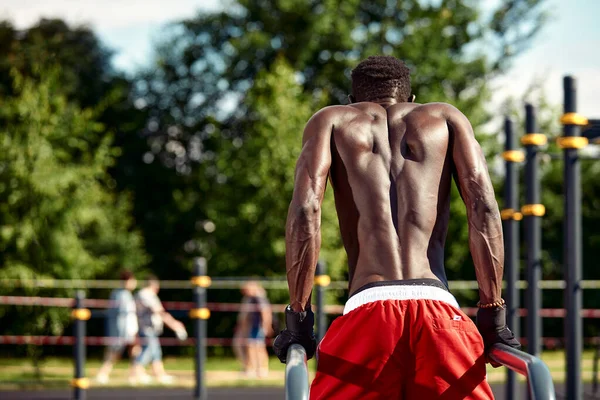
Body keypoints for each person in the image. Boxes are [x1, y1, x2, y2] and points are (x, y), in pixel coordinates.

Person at [273, 56, 521, 399]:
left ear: (352, 100)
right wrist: (493, 313)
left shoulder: (331, 120)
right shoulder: (447, 118)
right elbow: (484, 208)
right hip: (439, 312)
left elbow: (305, 210)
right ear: (411, 99)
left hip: (368, 311)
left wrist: (298, 317)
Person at [133, 275, 187, 384]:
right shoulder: (146, 295)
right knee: (147, 350)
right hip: (147, 328)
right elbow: (159, 311)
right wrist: (174, 324)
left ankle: (160, 374)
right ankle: (137, 374)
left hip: (150, 328)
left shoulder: (145, 295)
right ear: (154, 285)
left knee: (155, 352)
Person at [96, 270, 140, 385]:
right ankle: (103, 374)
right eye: (133, 281)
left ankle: (134, 375)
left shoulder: (126, 294)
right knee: (115, 352)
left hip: (130, 329)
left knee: (135, 351)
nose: (135, 283)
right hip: (123, 330)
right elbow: (120, 314)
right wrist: (121, 332)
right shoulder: (120, 294)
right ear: (128, 281)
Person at [233, 281, 273, 378]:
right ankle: (254, 368)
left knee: (257, 347)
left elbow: (265, 312)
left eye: (246, 290)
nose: (245, 292)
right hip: (253, 326)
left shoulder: (259, 298)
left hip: (257, 326)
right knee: (253, 347)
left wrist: (266, 326)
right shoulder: (252, 298)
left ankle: (261, 369)